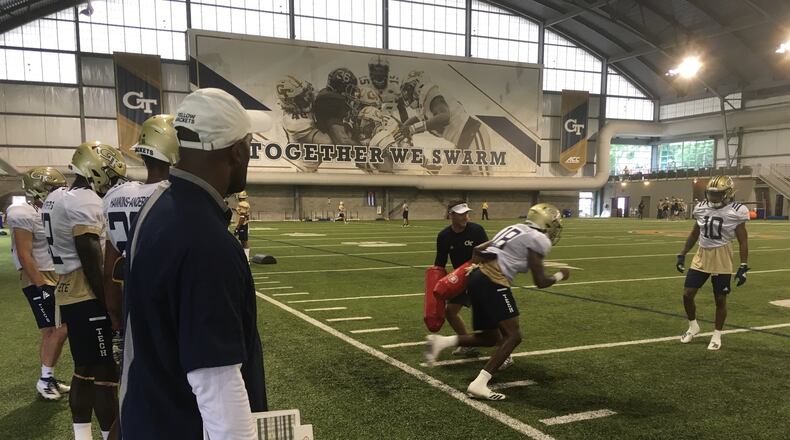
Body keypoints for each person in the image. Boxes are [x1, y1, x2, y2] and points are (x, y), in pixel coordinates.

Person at [120, 88, 269, 439]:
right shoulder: (208, 243)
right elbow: (216, 384)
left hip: (147, 415)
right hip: (182, 425)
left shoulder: (155, 207)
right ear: (237, 152)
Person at [425, 203, 568, 400]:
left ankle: (441, 342)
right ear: (545, 223)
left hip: (476, 278)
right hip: (493, 281)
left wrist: (470, 269)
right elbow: (541, 281)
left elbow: (478, 249)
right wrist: (560, 275)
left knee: (490, 337)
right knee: (513, 336)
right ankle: (479, 384)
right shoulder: (538, 239)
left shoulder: (514, 228)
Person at [43, 141, 127, 440]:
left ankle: (82, 436)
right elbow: (90, 256)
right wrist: (109, 306)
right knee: (104, 376)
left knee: (84, 371)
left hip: (68, 290)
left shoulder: (56, 196)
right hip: (87, 294)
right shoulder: (85, 200)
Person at [103, 114, 177, 331]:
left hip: (132, 302)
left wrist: (115, 315)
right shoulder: (175, 196)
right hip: (168, 301)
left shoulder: (115, 196)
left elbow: (109, 272)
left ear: (143, 156)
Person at [8, 167, 69, 400]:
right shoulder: (22, 211)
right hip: (38, 275)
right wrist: (41, 285)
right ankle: (44, 379)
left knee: (51, 330)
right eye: (52, 188)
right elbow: (24, 254)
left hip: (52, 273)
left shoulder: (46, 209)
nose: (57, 192)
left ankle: (48, 376)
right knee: (59, 329)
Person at [676, 176, 750, 351]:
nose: (713, 197)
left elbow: (743, 240)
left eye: (717, 194)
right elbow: (695, 233)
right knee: (687, 294)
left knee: (720, 299)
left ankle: (717, 334)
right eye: (711, 193)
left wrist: (743, 265)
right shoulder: (701, 208)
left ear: (728, 193)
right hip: (702, 254)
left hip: (722, 256)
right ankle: (693, 326)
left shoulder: (737, 211)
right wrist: (682, 254)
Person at [432, 201, 488, 357]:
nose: (465, 216)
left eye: (466, 213)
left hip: (481, 276)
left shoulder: (477, 230)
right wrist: (437, 286)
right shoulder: (444, 236)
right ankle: (467, 344)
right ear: (451, 215)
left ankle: (505, 353)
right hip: (461, 278)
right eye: (461, 214)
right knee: (450, 312)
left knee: (489, 316)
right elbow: (440, 263)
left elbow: (488, 254)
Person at [235, 191, 252, 259]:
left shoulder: (242, 204)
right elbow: (245, 215)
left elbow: (242, 217)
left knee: (244, 242)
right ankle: (244, 258)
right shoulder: (244, 204)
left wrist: (237, 227)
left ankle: (247, 259)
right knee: (243, 242)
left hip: (242, 225)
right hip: (243, 224)